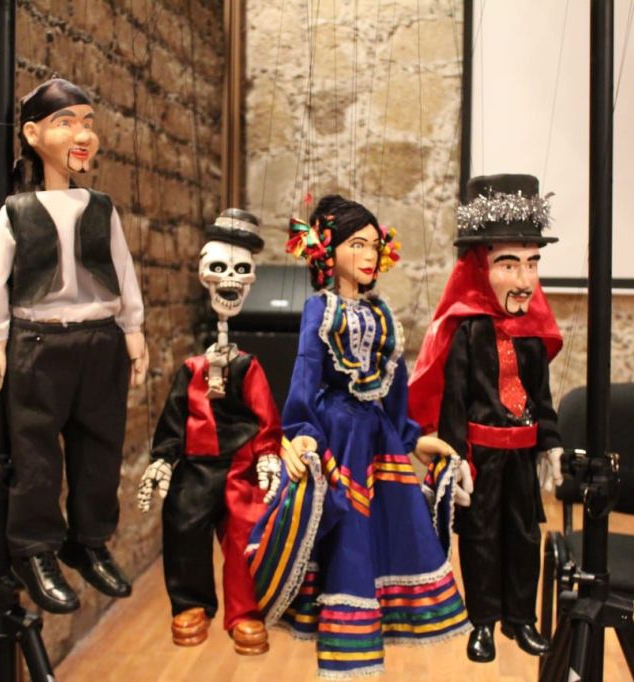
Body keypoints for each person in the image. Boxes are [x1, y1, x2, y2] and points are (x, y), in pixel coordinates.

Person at [247, 195, 472, 679]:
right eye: (357, 244)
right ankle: (345, 654)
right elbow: (306, 372)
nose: (369, 255)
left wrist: (413, 438)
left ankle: (369, 642)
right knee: (347, 534)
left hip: (377, 439)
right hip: (337, 438)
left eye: (373, 245)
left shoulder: (382, 313)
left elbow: (395, 385)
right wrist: (301, 431)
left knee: (383, 535)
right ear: (329, 251)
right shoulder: (320, 309)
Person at [0, 78, 147, 614]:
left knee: (101, 449)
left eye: (88, 123)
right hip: (39, 343)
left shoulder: (101, 208)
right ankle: (34, 548)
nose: (82, 135)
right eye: (66, 122)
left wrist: (133, 330)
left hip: (100, 341)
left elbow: (123, 270)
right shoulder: (18, 212)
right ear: (32, 134)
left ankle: (89, 540)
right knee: (35, 454)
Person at [409, 173, 564, 662]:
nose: (524, 280)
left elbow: (541, 396)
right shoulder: (466, 332)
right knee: (479, 538)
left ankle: (521, 617)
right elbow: (453, 401)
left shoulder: (532, 333)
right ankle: (483, 621)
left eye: (532, 264)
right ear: (480, 266)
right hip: (480, 459)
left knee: (524, 535)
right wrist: (454, 460)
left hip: (522, 458)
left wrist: (551, 442)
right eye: (509, 264)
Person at [137, 209, 282, 656]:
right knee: (183, 525)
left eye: (240, 270)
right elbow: (174, 415)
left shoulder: (248, 366)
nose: (230, 280)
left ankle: (246, 611)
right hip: (197, 467)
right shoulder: (192, 368)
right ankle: (191, 603)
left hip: (240, 466)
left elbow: (264, 414)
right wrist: (163, 458)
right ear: (204, 274)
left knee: (246, 533)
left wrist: (268, 454)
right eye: (219, 268)